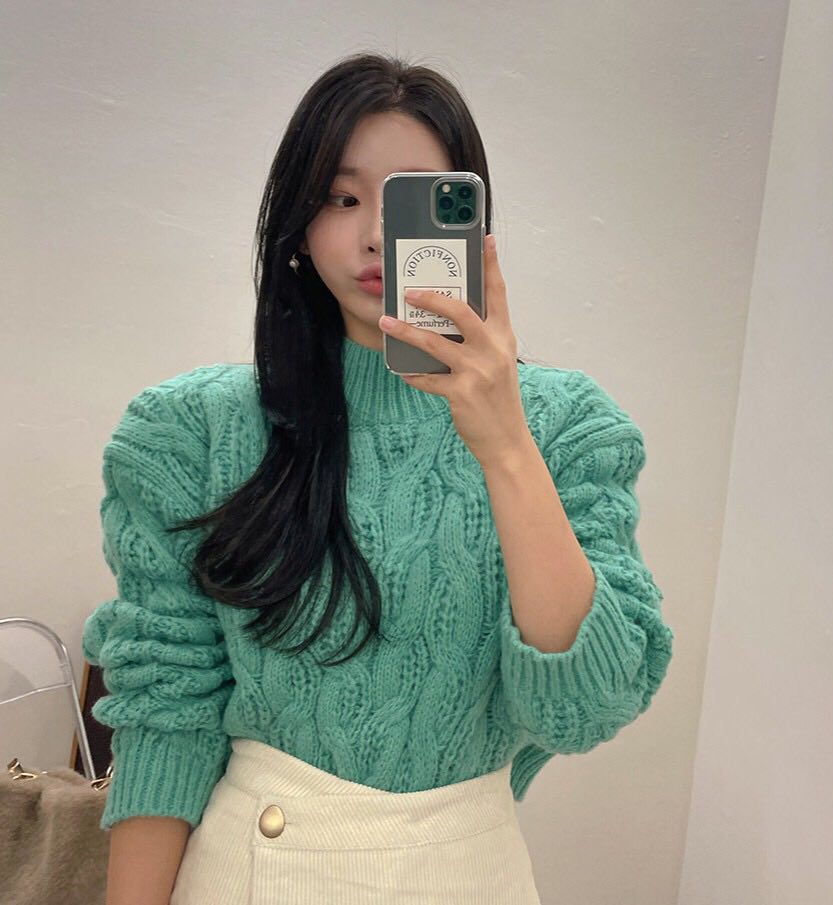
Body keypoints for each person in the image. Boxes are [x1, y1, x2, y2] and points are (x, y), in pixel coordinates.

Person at [81, 50, 674, 905]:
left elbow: (585, 706)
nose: (372, 236)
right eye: (340, 197)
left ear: (467, 225)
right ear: (295, 223)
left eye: (410, 203)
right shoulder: (190, 431)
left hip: (467, 873)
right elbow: (164, 710)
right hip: (252, 870)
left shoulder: (565, 426)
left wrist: (506, 443)